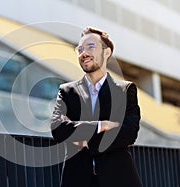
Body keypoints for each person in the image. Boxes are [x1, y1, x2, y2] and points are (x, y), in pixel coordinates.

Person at [51, 27, 142, 187]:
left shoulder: (125, 90)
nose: (83, 53)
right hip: (76, 179)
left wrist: (83, 141)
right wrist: (102, 125)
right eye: (80, 49)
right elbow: (58, 129)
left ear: (107, 52)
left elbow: (128, 133)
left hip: (119, 178)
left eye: (90, 47)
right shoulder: (66, 91)